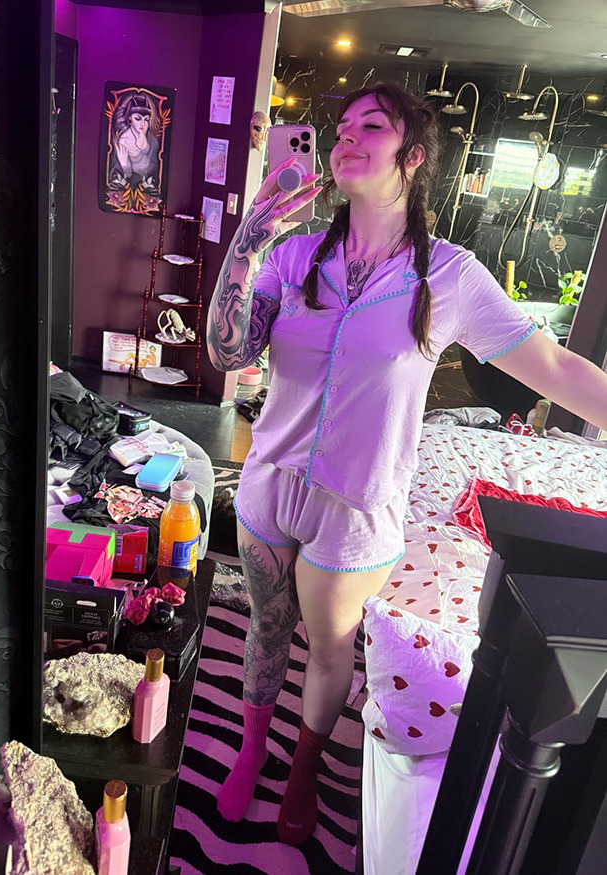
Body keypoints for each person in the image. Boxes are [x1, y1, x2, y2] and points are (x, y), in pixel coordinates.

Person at [206, 83, 607, 846]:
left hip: (357, 510)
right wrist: (248, 239)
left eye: (372, 126)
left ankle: (302, 768)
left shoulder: (448, 277)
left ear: (413, 157)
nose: (345, 137)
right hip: (269, 487)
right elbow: (228, 353)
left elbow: (554, 367)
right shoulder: (292, 256)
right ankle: (252, 747)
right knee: (267, 629)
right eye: (340, 127)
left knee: (330, 648)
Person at [109, 92, 161, 190]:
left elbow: (154, 156)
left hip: (150, 176)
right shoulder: (124, 140)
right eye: (137, 119)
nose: (143, 124)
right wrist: (124, 164)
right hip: (135, 179)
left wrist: (146, 146)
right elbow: (128, 174)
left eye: (146, 119)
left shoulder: (148, 134)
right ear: (129, 118)